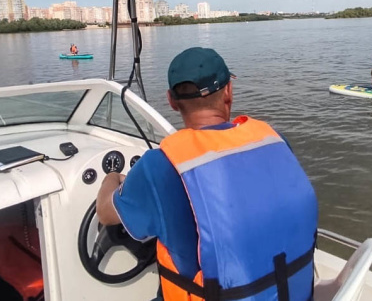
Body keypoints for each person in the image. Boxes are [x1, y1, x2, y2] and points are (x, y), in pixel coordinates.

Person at [96, 47, 318, 301]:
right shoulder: (275, 141)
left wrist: (112, 176)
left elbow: (105, 212)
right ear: (228, 92)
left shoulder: (159, 166)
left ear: (171, 100)